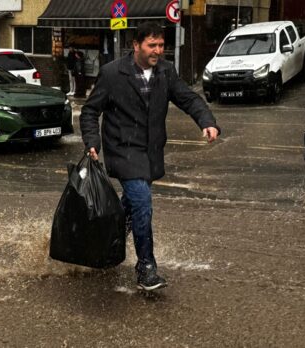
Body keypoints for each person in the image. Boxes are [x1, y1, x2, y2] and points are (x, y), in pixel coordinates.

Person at [79, 22, 220, 291]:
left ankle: (105, 245)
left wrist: (206, 121)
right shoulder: (112, 73)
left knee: (131, 206)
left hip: (150, 153)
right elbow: (89, 111)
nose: (157, 51)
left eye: (160, 45)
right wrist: (92, 141)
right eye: (151, 45)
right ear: (136, 45)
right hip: (123, 150)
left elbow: (188, 98)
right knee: (142, 203)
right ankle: (146, 268)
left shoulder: (166, 71)